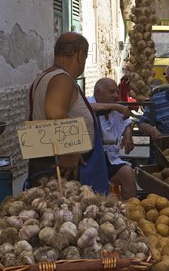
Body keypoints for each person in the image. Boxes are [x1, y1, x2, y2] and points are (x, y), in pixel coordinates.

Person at [26, 32, 109, 193]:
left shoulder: (44, 77)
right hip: (63, 171)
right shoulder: (62, 79)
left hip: (46, 162)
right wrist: (70, 151)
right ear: (81, 55)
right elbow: (55, 113)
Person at [88, 78, 137, 200]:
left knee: (128, 174)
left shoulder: (116, 109)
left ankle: (131, 211)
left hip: (110, 159)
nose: (116, 95)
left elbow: (127, 121)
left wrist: (128, 133)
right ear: (98, 93)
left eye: (117, 92)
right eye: (111, 92)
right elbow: (88, 108)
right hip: (90, 160)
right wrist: (116, 106)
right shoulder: (88, 102)